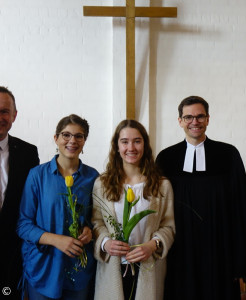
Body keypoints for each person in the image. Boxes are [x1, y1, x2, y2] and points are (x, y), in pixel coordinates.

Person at [156, 96, 246, 300]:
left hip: (220, 249)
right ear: (180, 121)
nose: (194, 122)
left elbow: (241, 208)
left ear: (208, 119)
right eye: (188, 117)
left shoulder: (228, 154)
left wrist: (240, 259)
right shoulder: (166, 158)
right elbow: (158, 209)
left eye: (200, 116)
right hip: (180, 249)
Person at [17, 114, 99, 300]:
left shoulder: (93, 177)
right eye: (66, 135)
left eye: (79, 136)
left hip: (78, 269)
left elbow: (96, 219)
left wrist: (89, 230)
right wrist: (56, 240)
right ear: (56, 138)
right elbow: (23, 225)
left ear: (85, 140)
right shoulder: (37, 175)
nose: (72, 140)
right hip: (43, 268)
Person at [92, 119, 175, 300]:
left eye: (137, 141)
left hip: (148, 266)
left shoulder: (161, 185)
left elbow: (168, 226)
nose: (131, 147)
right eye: (125, 142)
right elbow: (96, 222)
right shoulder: (102, 184)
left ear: (145, 144)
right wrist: (106, 242)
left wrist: (152, 245)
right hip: (113, 266)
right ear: (117, 146)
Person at [0, 86, 39, 298]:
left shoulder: (28, 153)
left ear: (14, 115)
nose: (0, 117)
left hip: (11, 254)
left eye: (5, 111)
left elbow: (35, 202)